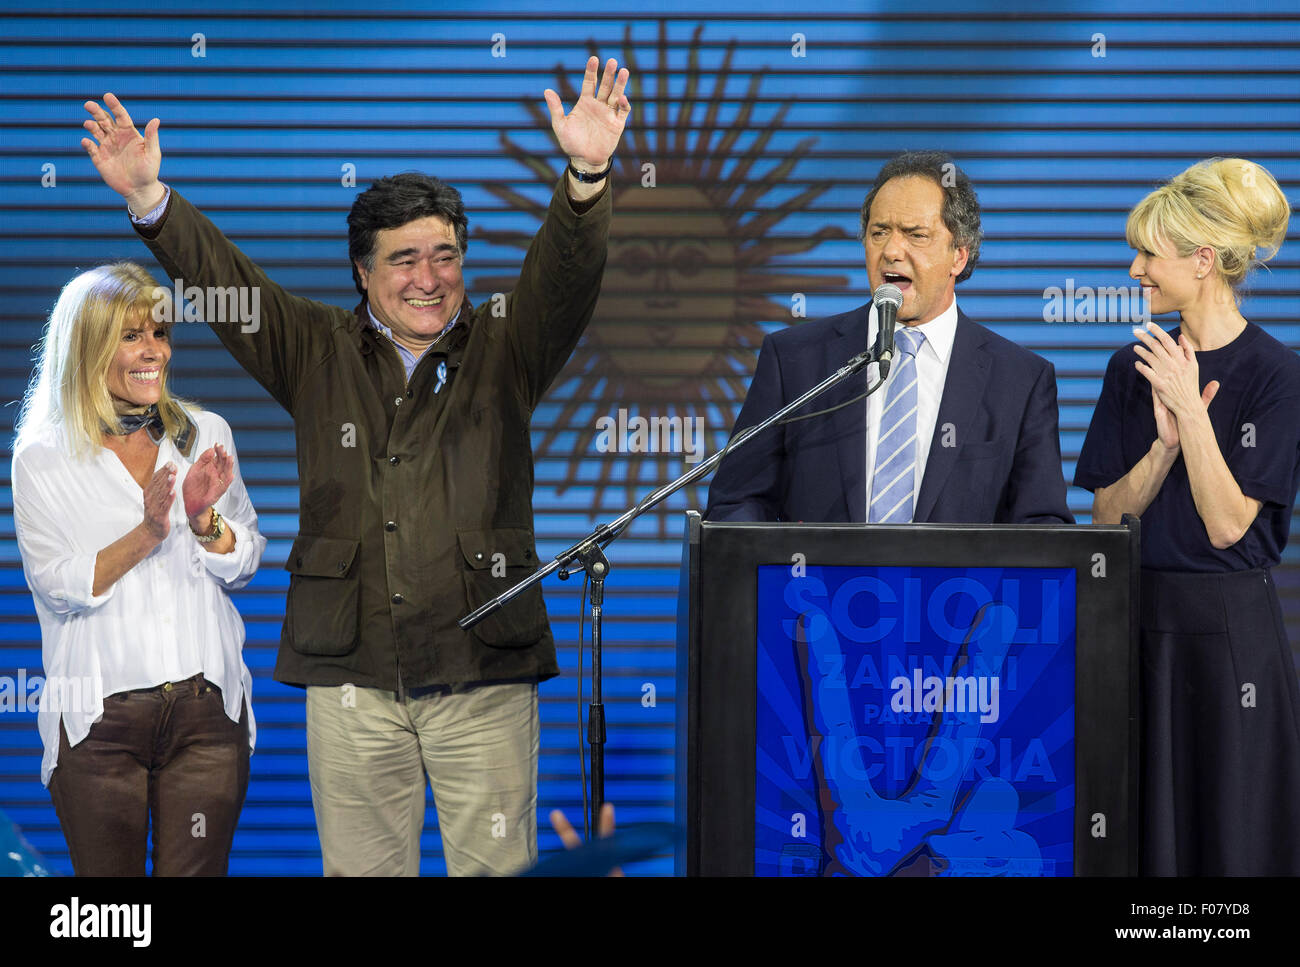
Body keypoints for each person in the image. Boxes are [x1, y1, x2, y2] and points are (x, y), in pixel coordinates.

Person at [79, 56, 632, 876]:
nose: (428, 278)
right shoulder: (312, 347)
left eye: (445, 256)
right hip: (352, 680)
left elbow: (564, 278)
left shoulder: (508, 345)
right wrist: (150, 203)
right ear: (362, 273)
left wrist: (586, 174)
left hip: (481, 676)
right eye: (404, 259)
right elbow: (229, 285)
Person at [1074, 158, 1300, 876]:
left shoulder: (1277, 374)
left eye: (1149, 252)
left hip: (1230, 641)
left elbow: (1231, 524)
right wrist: (1163, 449)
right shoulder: (1129, 365)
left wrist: (1188, 409)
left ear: (1203, 260)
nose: (1134, 267)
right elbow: (1107, 516)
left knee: (1228, 836)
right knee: (1138, 836)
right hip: (1138, 624)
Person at [11, 262, 264, 876]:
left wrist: (205, 522)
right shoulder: (41, 457)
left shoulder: (205, 432)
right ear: (88, 345)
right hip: (100, 719)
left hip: (206, 713)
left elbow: (247, 560)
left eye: (160, 333)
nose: (154, 351)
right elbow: (60, 583)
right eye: (132, 336)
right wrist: (149, 532)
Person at [705, 151, 1072, 525]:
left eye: (916, 235)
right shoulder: (794, 360)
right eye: (879, 232)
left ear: (958, 256)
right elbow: (736, 502)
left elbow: (1042, 526)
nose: (892, 252)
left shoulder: (1019, 380)